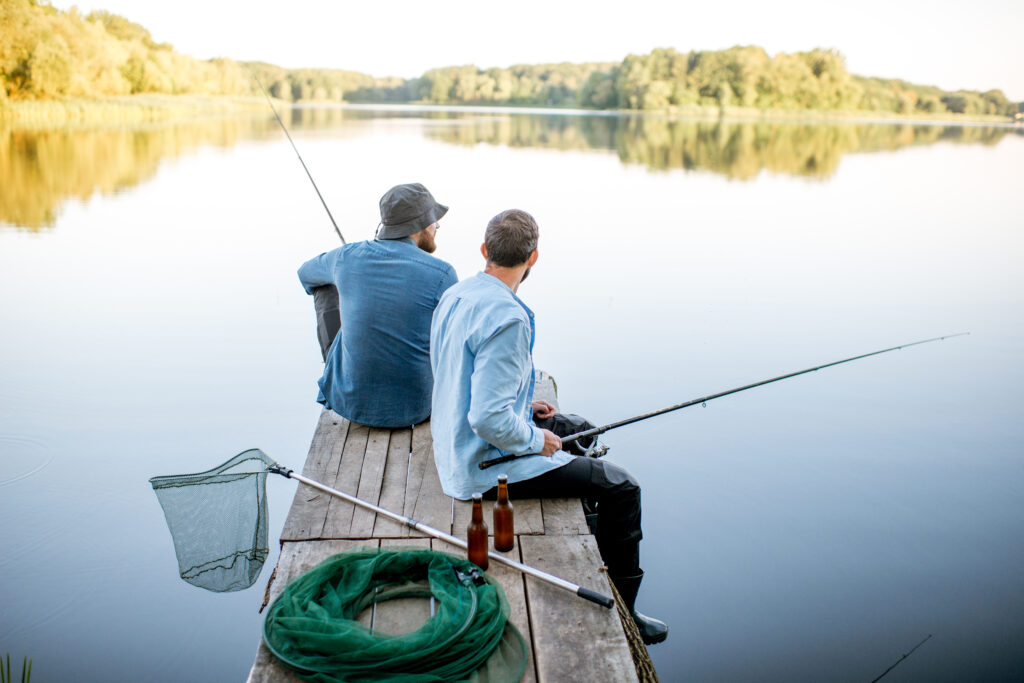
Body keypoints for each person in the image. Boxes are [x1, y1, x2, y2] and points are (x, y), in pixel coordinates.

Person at [429, 208, 668, 644]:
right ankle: (626, 614)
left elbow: (464, 376)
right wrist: (537, 440)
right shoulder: (509, 318)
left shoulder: (458, 294)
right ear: (533, 258)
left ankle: (591, 523)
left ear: (484, 251)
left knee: (583, 427)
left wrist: (525, 402)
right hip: (483, 467)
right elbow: (486, 417)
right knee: (623, 487)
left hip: (451, 444)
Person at [298, 183, 457, 428]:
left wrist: (353, 285)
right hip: (417, 409)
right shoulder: (443, 274)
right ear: (422, 225)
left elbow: (306, 274)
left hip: (349, 404)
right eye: (434, 220)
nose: (437, 226)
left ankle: (339, 370)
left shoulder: (346, 257)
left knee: (324, 284)